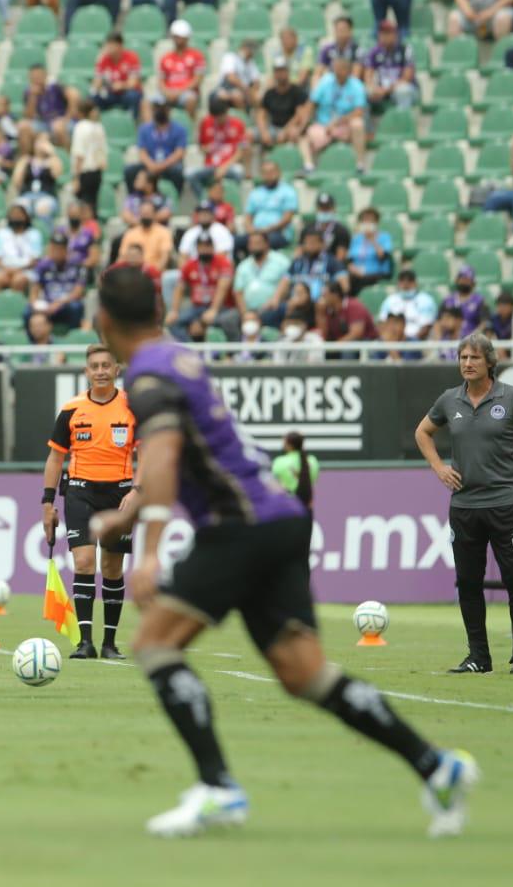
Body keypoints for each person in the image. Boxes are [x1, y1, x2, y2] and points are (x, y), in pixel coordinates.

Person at [88, 265, 478, 838]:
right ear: (161, 313)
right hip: (282, 520)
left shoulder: (146, 377)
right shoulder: (179, 358)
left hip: (238, 526)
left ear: (104, 322)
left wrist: (145, 553)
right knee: (305, 674)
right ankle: (436, 766)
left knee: (153, 643)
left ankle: (219, 789)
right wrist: (127, 515)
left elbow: (164, 459)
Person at [414, 332, 513, 676]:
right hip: (464, 507)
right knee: (468, 582)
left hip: (505, 504)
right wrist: (439, 467)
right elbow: (422, 432)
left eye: (474, 358)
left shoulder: (512, 399)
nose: (467, 364)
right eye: (462, 358)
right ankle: (478, 657)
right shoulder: (449, 400)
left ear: (489, 363)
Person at [41, 345, 137, 660]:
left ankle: (109, 644)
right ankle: (85, 642)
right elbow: (56, 458)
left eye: (105, 365)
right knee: (83, 562)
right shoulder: (71, 409)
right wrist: (47, 503)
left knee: (111, 566)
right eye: (94, 365)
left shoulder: (131, 406)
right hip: (80, 490)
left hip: (120, 494)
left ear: (116, 370)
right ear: (86, 371)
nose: (100, 371)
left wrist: (138, 489)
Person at [300, 54, 366, 174]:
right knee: (304, 136)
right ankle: (308, 166)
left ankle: (360, 164)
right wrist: (303, 124)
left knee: (358, 124)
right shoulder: (326, 81)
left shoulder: (357, 85)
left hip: (345, 126)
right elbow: (312, 103)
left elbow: (359, 111)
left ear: (348, 71)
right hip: (324, 126)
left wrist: (338, 122)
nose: (338, 72)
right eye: (335, 68)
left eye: (341, 69)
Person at [271, 431, 319, 509]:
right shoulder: (313, 461)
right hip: (307, 506)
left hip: (286, 507)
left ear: (289, 445)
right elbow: (313, 481)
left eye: (284, 442)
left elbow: (273, 485)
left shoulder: (279, 462)